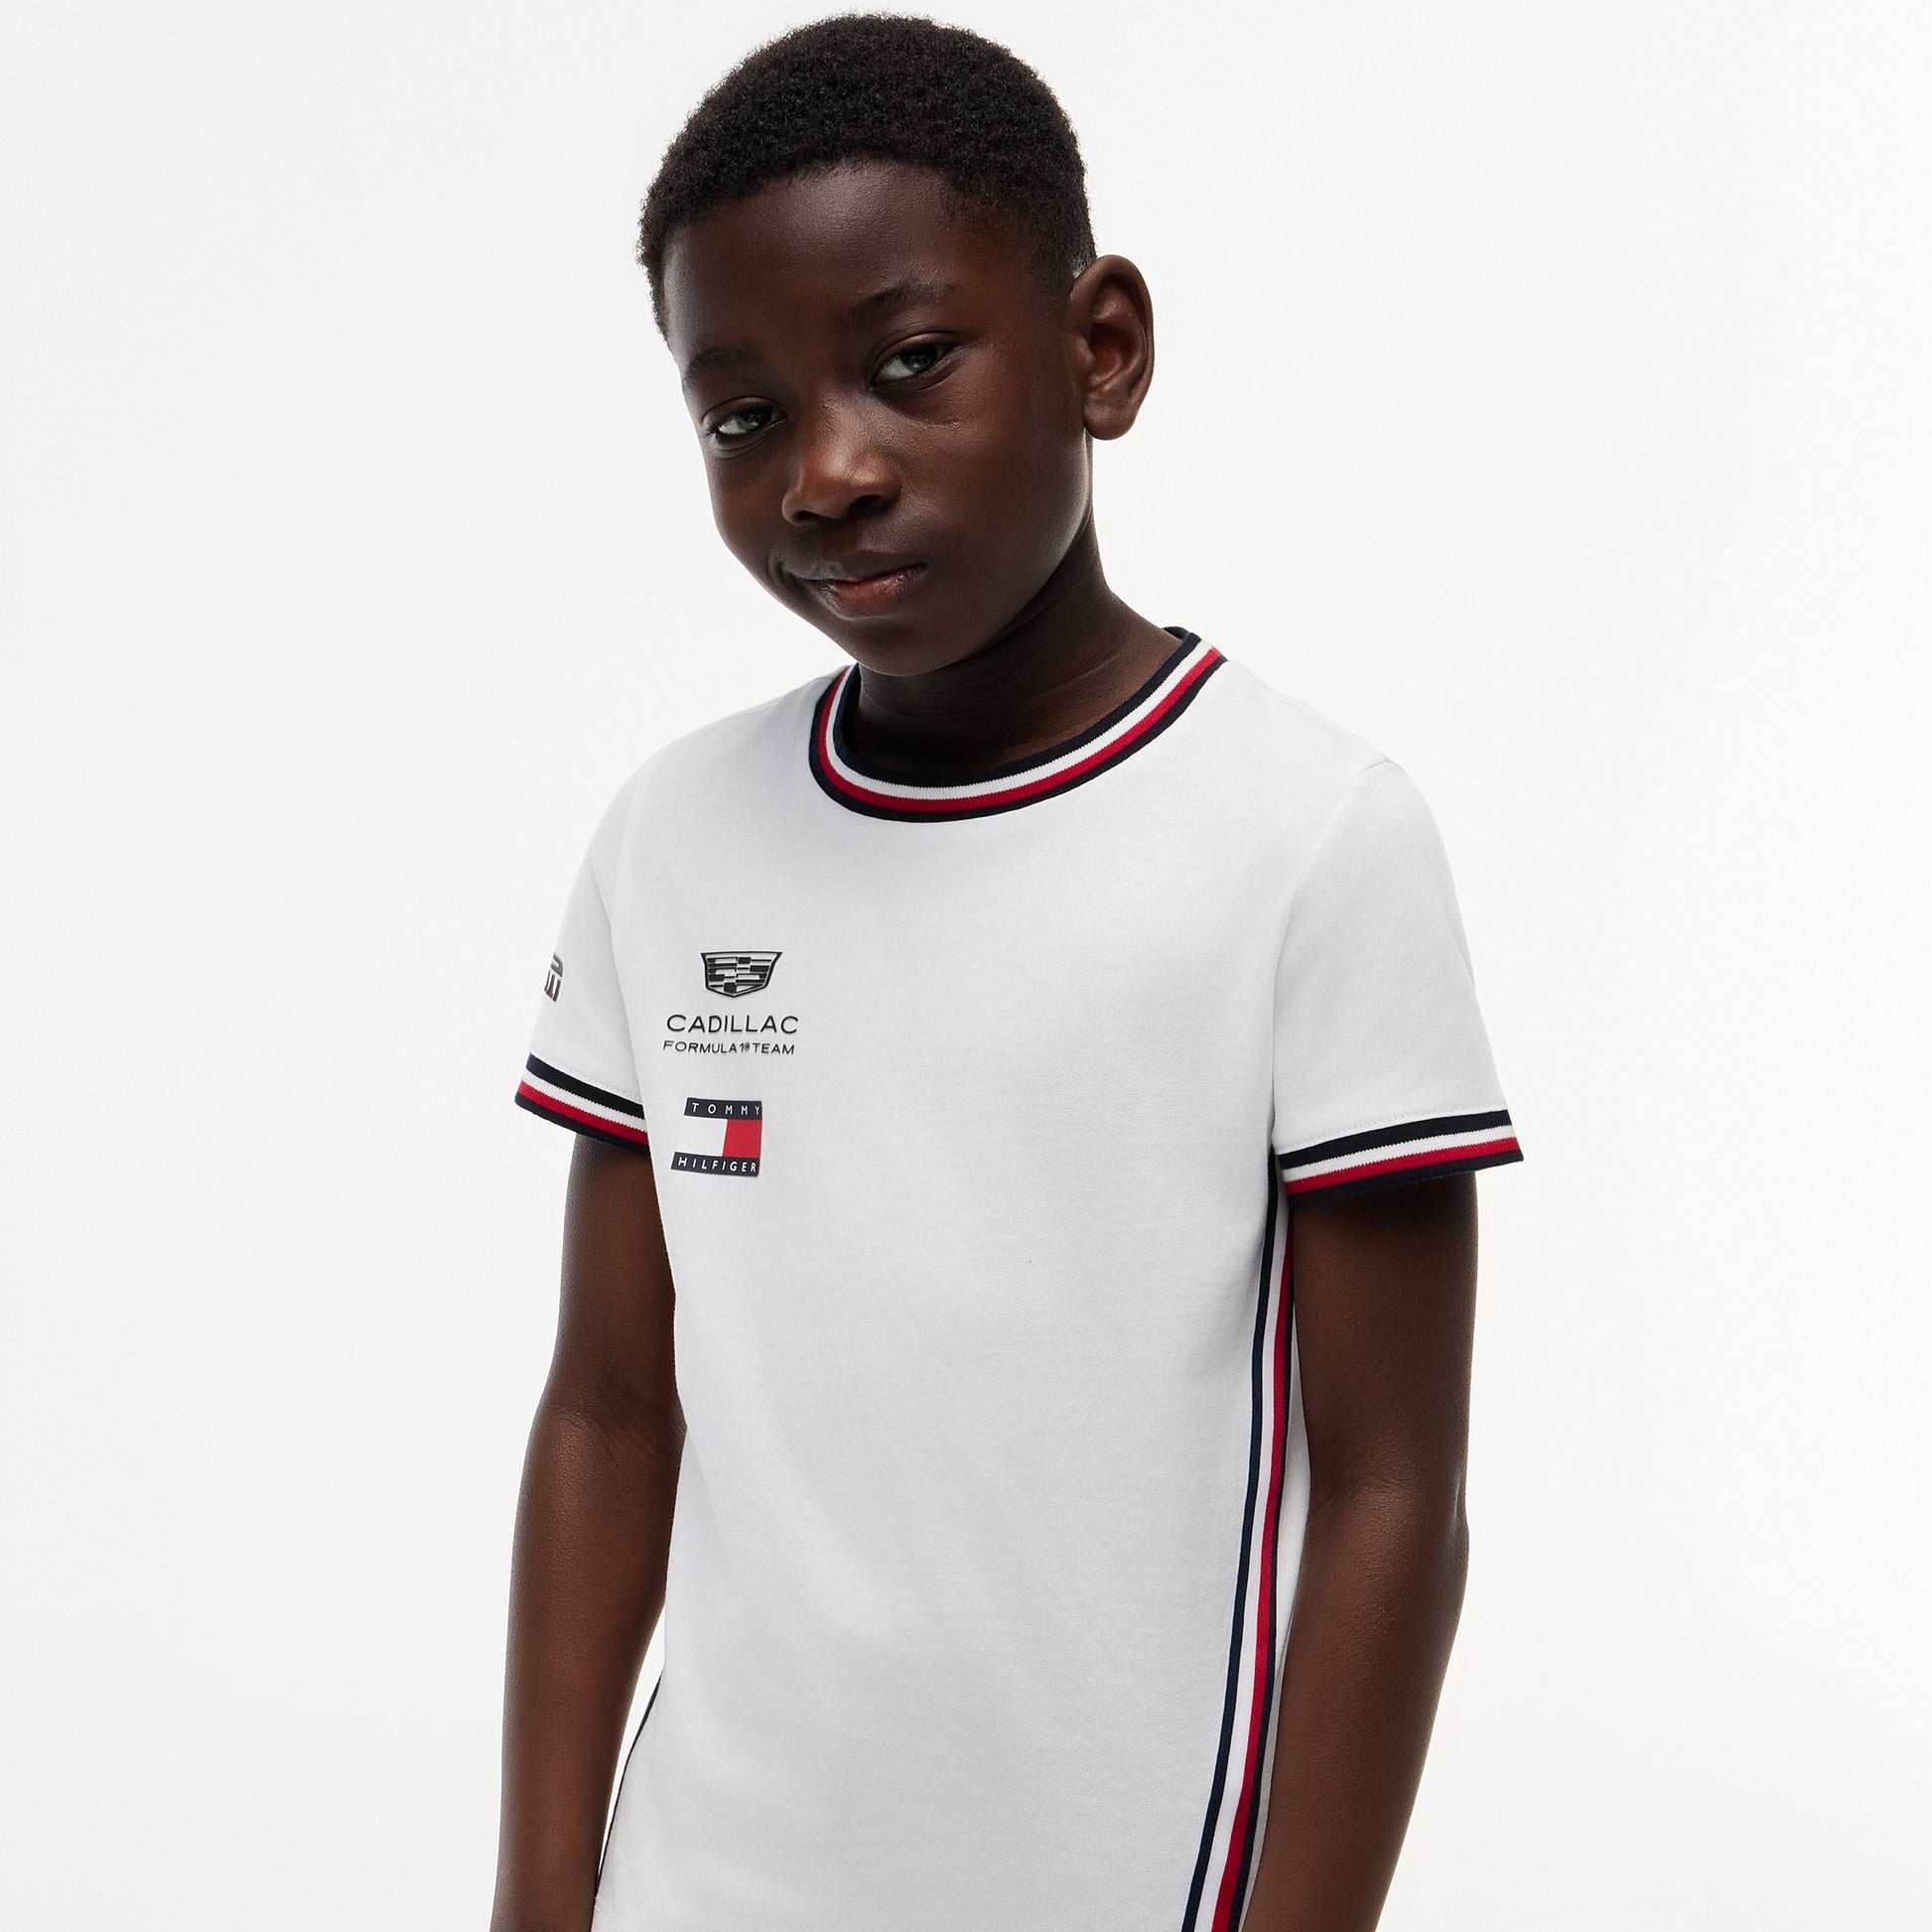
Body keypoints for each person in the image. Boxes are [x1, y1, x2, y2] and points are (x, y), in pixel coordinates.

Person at [490, 16, 1522, 1932]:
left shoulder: (1307, 835)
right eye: (741, 415)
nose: (824, 472)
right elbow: (611, 1408)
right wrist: (541, 1900)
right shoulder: (673, 836)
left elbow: (1393, 1486)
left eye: (908, 363)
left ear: (1099, 347)